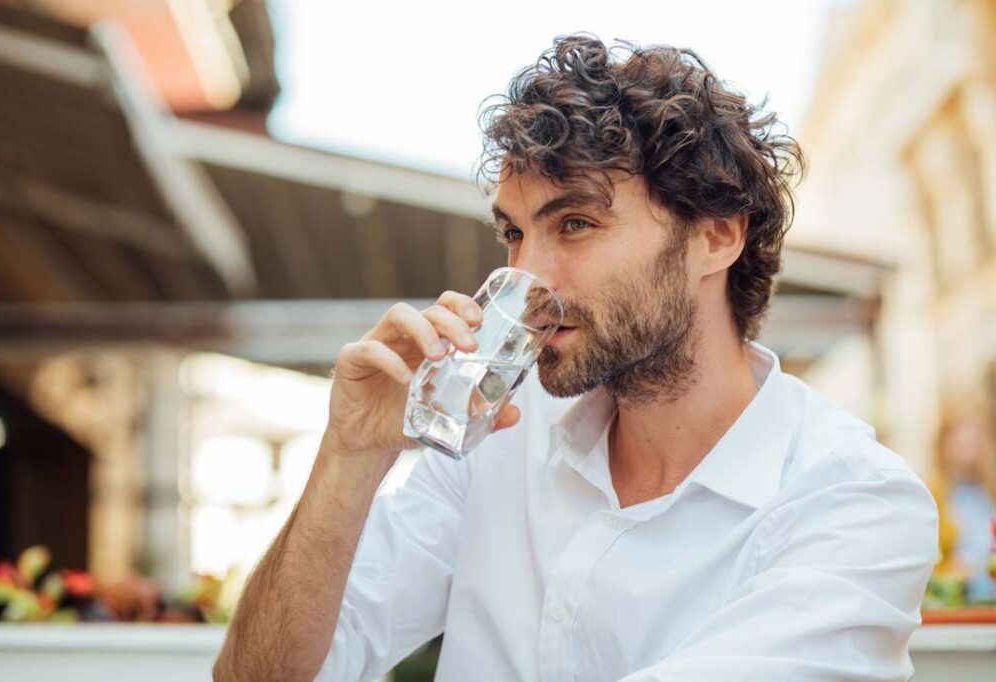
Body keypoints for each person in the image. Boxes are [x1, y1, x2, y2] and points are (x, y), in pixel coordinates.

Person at [214, 34, 939, 681]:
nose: (528, 280)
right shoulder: (493, 442)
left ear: (717, 236)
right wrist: (348, 454)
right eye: (513, 235)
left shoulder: (854, 503)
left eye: (576, 223)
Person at [928, 399, 996, 603]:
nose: (971, 451)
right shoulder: (935, 493)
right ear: (944, 444)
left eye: (975, 442)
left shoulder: (987, 489)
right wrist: (953, 571)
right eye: (964, 443)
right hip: (959, 602)